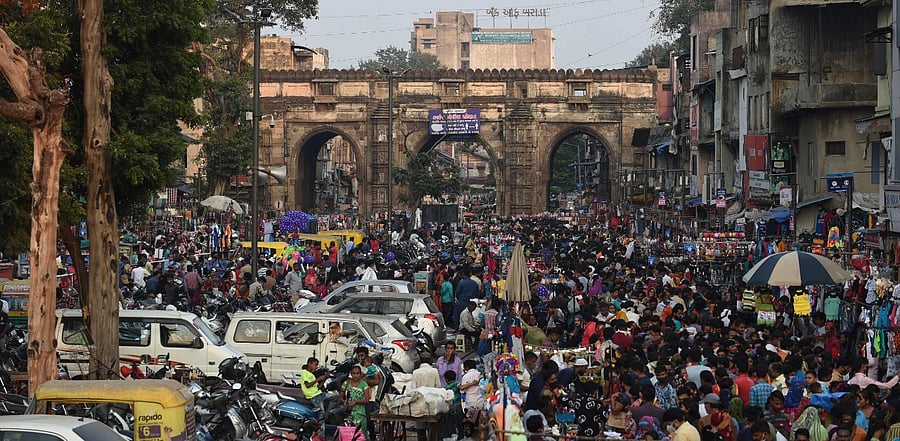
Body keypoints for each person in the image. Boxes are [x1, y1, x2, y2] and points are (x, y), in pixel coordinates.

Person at [341, 365, 371, 440]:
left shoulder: (364, 385)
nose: (355, 375)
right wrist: (344, 402)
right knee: (348, 435)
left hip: (360, 415)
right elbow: (340, 397)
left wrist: (356, 401)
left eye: (357, 373)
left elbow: (367, 400)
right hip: (348, 414)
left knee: (360, 436)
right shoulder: (346, 383)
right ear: (351, 374)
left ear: (360, 374)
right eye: (353, 373)